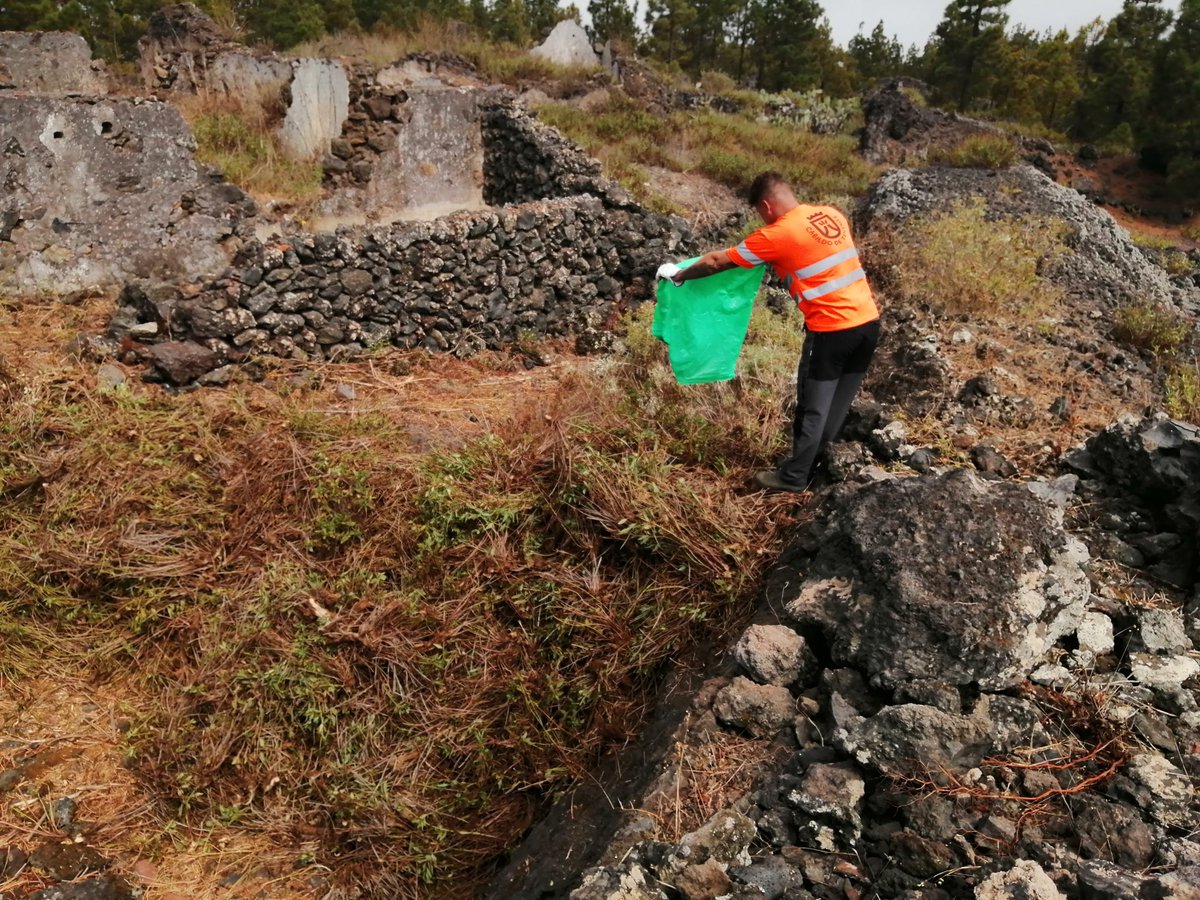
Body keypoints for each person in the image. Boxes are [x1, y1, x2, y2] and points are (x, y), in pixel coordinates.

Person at [657, 171, 881, 493]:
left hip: (831, 332)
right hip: (868, 325)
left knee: (812, 408)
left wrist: (680, 274)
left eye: (760, 213)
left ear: (766, 205)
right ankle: (817, 466)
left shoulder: (777, 234)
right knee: (838, 404)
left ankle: (792, 478)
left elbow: (718, 262)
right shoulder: (831, 214)